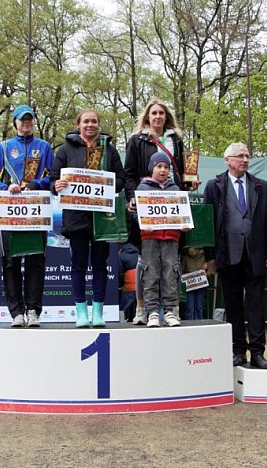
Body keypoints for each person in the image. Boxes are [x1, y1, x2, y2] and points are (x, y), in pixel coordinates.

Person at [204, 143, 267, 369]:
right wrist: (210, 257)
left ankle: (258, 352)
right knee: (233, 306)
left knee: (256, 306)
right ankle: (238, 351)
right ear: (227, 160)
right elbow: (208, 223)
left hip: (255, 255)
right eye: (240, 156)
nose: (245, 160)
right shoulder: (214, 186)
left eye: (247, 156)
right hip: (228, 255)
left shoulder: (261, 187)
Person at [50, 109, 125, 328]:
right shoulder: (65, 150)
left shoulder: (109, 151)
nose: (90, 125)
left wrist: (108, 185)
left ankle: (98, 311)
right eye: (86, 121)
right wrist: (57, 185)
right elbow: (54, 180)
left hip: (103, 218)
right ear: (78, 125)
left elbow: (121, 179)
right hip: (76, 218)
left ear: (99, 125)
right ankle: (81, 312)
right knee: (78, 265)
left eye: (94, 121)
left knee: (100, 265)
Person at [124, 99, 196, 325]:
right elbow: (129, 173)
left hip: (172, 209)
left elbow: (184, 171)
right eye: (154, 113)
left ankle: (171, 310)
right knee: (145, 265)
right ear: (147, 116)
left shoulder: (176, 139)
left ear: (166, 117)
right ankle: (144, 310)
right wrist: (132, 199)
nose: (158, 117)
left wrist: (189, 184)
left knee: (170, 266)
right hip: (147, 209)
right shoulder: (137, 140)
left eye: (161, 113)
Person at [0, 104, 54, 327]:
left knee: (36, 260)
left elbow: (53, 176)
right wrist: (7, 188)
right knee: (10, 262)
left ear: (33, 122)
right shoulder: (4, 147)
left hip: (36, 210)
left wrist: (36, 183)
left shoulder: (43, 147)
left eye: (30, 119)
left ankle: (34, 310)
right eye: (22, 120)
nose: (26, 123)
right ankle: (16, 312)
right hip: (10, 211)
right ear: (14, 123)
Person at [136, 152, 189, 327]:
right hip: (150, 238)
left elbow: (181, 212)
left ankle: (169, 311)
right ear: (152, 168)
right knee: (151, 273)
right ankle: (151, 312)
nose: (163, 170)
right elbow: (137, 213)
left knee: (170, 274)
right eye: (159, 166)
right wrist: (142, 222)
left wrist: (184, 223)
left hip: (172, 238)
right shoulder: (143, 188)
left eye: (166, 167)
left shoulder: (175, 189)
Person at [181, 246, 207, 321]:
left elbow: (208, 271)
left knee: (199, 306)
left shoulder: (204, 258)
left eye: (192, 252)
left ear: (198, 250)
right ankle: (189, 323)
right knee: (189, 306)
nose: (190, 253)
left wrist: (205, 269)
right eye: (189, 252)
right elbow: (182, 270)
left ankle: (199, 323)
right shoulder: (186, 258)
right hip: (189, 285)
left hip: (200, 285)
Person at [118, 241, 139, 322]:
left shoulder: (121, 256)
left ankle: (127, 318)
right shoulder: (139, 255)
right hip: (141, 283)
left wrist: (120, 284)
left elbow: (120, 272)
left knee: (127, 302)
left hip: (129, 283)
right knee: (140, 301)